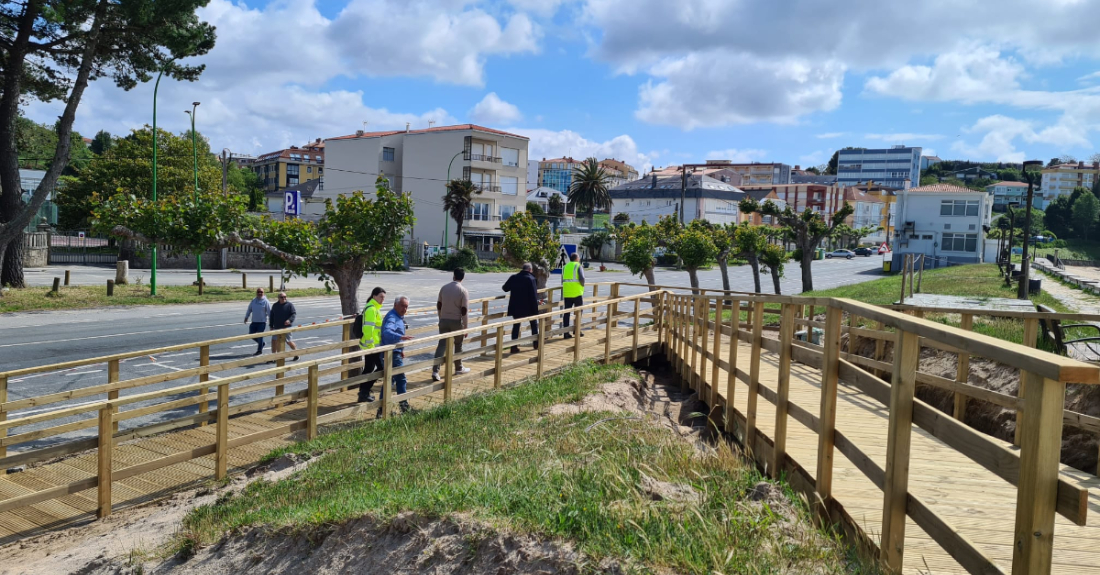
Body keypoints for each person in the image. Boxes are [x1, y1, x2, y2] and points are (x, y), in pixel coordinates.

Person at [432, 268, 472, 381]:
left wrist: (441, 318)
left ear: (453, 276)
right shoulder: (463, 290)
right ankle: (458, 367)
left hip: (444, 320)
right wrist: (465, 327)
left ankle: (435, 371)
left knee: (442, 345)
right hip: (456, 321)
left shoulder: (444, 288)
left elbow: (439, 305)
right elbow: (464, 310)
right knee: (458, 344)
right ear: (463, 278)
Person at [378, 295, 415, 416]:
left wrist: (401, 348)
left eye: (406, 307)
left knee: (390, 380)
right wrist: (400, 337)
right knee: (401, 379)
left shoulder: (398, 316)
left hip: (395, 352)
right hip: (391, 354)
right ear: (395, 305)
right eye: (402, 306)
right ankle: (404, 407)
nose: (404, 309)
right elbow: (387, 333)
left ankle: (382, 410)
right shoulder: (392, 317)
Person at [502, 263, 540, 355]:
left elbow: (505, 288)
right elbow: (533, 296)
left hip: (516, 306)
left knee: (516, 326)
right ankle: (536, 344)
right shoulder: (531, 279)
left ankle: (514, 346)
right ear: (530, 270)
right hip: (529, 307)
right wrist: (536, 310)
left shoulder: (514, 277)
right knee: (534, 325)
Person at [357, 287, 386, 403]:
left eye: (384, 297)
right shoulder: (372, 309)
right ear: (374, 296)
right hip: (372, 346)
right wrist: (371, 346)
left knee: (369, 368)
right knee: (381, 368)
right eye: (380, 297)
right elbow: (368, 329)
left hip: (373, 345)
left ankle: (363, 392)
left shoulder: (373, 308)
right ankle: (364, 391)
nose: (382, 299)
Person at [269, 292, 300, 361]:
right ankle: (273, 357)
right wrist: (271, 325)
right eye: (282, 297)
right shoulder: (275, 305)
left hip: (286, 327)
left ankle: (296, 353)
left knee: (288, 341)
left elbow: (293, 314)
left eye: (285, 297)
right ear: (278, 298)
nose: (284, 298)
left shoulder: (289, 305)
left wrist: (289, 320)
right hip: (276, 327)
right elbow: (272, 316)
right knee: (274, 341)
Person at [561, 252, 586, 339]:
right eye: (578, 257)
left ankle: (566, 333)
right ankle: (577, 330)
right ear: (576, 258)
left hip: (567, 293)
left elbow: (562, 280)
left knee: (566, 313)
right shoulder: (578, 266)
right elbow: (582, 278)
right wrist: (582, 285)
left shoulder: (565, 267)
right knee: (578, 312)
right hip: (577, 293)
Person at [244, 288, 271, 356]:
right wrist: (246, 317)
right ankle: (262, 343)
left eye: (261, 292)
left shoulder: (266, 301)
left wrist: (271, 322)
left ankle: (259, 350)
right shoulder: (253, 300)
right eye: (258, 292)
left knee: (260, 336)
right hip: (254, 322)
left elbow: (269, 312)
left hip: (262, 322)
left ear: (263, 293)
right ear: (256, 293)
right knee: (251, 334)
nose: (260, 293)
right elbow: (249, 309)